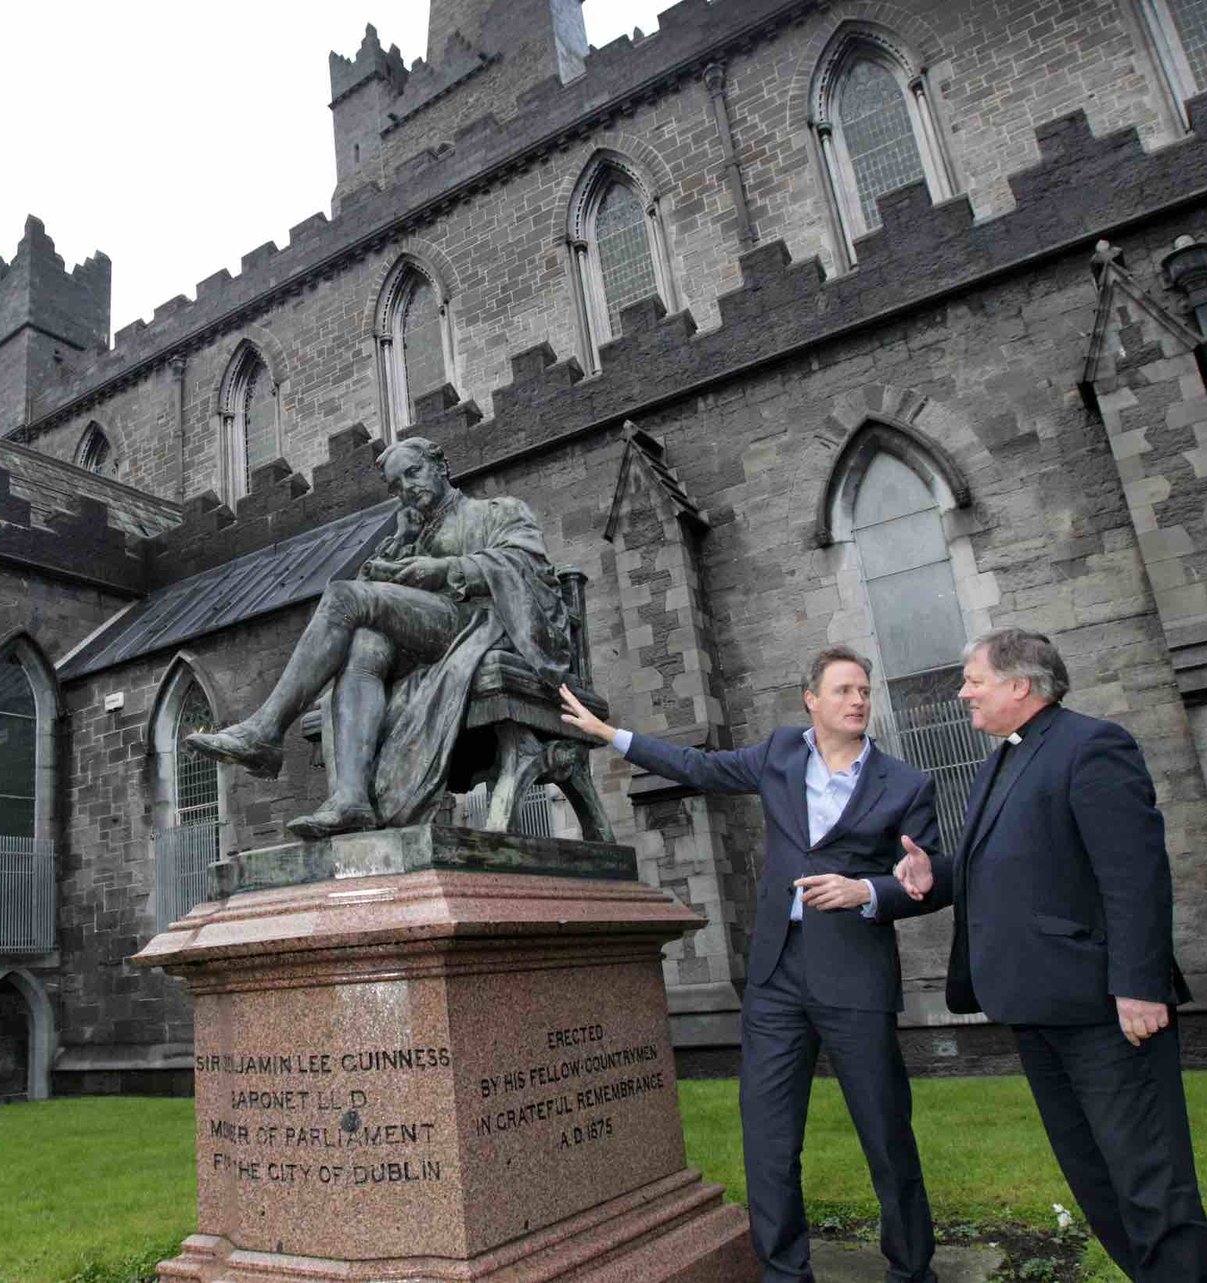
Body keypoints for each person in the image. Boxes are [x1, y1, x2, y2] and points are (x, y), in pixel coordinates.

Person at [559, 650, 940, 1283]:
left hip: (855, 979)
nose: (858, 701)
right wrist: (611, 735)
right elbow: (699, 766)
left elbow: (926, 878)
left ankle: (911, 1269)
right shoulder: (781, 754)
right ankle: (786, 1272)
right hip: (776, 980)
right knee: (767, 1139)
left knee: (886, 1136)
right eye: (843, 690)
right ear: (810, 700)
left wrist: (869, 892)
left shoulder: (905, 784)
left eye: (864, 691)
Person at [893, 629, 1207, 1281]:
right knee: (1098, 1184)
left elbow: (1134, 874)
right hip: (1037, 1012)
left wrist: (1139, 985)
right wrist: (941, 873)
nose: (962, 692)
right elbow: (1013, 865)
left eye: (973, 678)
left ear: (1020, 683)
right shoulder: (1002, 761)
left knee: (1150, 1185)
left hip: (1107, 1013)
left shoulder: (1092, 745)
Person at [187, 436, 570, 839]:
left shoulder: (497, 512)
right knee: (365, 643)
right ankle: (351, 799)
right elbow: (378, 591)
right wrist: (400, 548)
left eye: (413, 473)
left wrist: (445, 570)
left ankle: (266, 730)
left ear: (440, 467)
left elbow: (526, 567)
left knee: (342, 595)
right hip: (425, 637)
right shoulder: (409, 533)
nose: (406, 488)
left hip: (481, 625)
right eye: (396, 486)